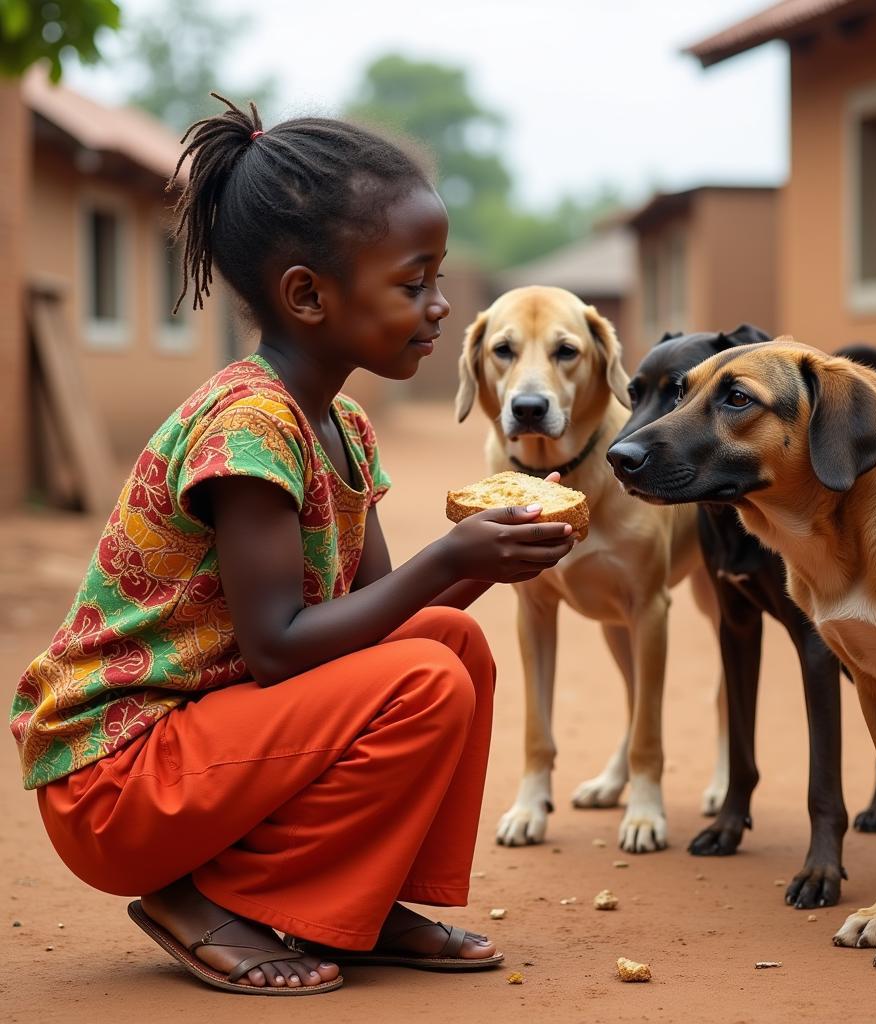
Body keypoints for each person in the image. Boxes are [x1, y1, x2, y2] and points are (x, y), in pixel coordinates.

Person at [10, 95, 576, 996]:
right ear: (309, 294)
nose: (438, 308)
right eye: (412, 282)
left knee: (450, 650)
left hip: (210, 751)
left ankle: (365, 897)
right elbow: (276, 647)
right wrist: (452, 556)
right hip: (119, 781)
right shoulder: (249, 428)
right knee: (426, 674)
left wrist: (487, 559)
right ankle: (199, 900)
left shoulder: (341, 422)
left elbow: (385, 621)